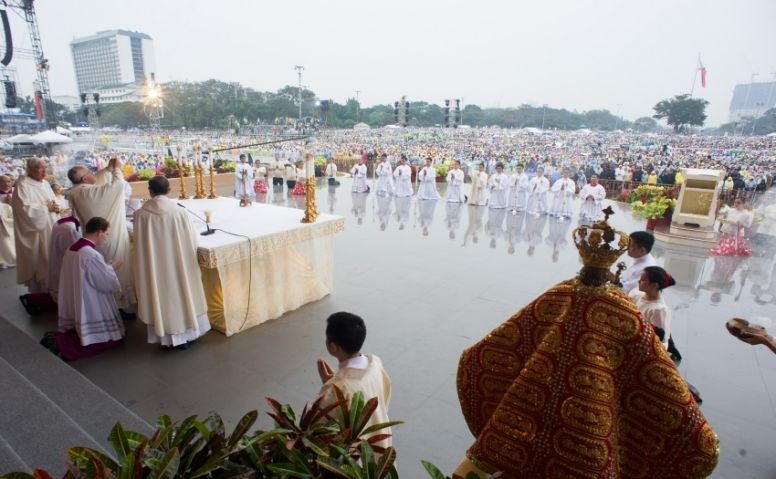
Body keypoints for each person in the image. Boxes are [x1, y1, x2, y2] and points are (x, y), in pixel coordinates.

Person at [454, 210, 718, 479]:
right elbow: (647, 361)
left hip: (540, 385)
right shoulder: (622, 307)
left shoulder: (563, 291)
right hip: (595, 404)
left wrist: (475, 356)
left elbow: (519, 329)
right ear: (609, 271)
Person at [133, 176, 210, 349]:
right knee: (184, 291)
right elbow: (191, 241)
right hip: (179, 265)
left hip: (155, 269)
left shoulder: (140, 215)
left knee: (160, 295)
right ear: (169, 190)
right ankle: (190, 333)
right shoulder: (180, 212)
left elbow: (140, 248)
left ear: (150, 191)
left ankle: (167, 338)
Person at [316, 312, 393, 448]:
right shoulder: (375, 362)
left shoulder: (339, 387)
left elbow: (318, 424)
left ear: (333, 347)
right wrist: (333, 381)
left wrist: (329, 386)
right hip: (380, 439)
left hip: (357, 454)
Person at [66, 161, 135, 311]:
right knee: (115, 271)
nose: (93, 174)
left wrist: (107, 169)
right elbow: (116, 187)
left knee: (103, 272)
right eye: (89, 172)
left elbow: (98, 182)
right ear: (84, 179)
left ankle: (112, 305)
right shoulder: (87, 193)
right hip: (108, 237)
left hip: (95, 239)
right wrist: (116, 169)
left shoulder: (77, 191)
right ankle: (119, 306)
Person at [56, 217, 125, 361]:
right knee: (112, 340)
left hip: (76, 294)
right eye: (106, 234)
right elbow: (103, 281)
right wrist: (112, 268)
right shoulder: (90, 254)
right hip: (90, 298)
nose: (106, 238)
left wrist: (105, 267)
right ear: (99, 232)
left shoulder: (73, 248)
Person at [11, 158, 60, 295]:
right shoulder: (23, 185)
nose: (45, 171)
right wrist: (46, 208)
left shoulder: (44, 183)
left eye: (45, 168)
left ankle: (53, 290)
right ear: (30, 170)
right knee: (40, 262)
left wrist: (56, 207)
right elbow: (23, 209)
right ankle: (40, 295)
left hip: (50, 225)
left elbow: (53, 201)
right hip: (36, 231)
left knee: (51, 259)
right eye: (40, 168)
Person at [629, 266, 676, 350]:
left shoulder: (658, 310)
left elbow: (661, 339)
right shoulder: (636, 294)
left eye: (643, 280)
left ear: (654, 285)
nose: (638, 281)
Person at [47, 216, 82, 303]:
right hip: (66, 265)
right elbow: (75, 253)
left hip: (59, 261)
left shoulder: (61, 223)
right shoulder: (70, 229)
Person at [0, 197, 14, 269]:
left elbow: (14, 221)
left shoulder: (7, 207)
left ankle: (5, 260)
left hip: (4, 233)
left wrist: (3, 220)